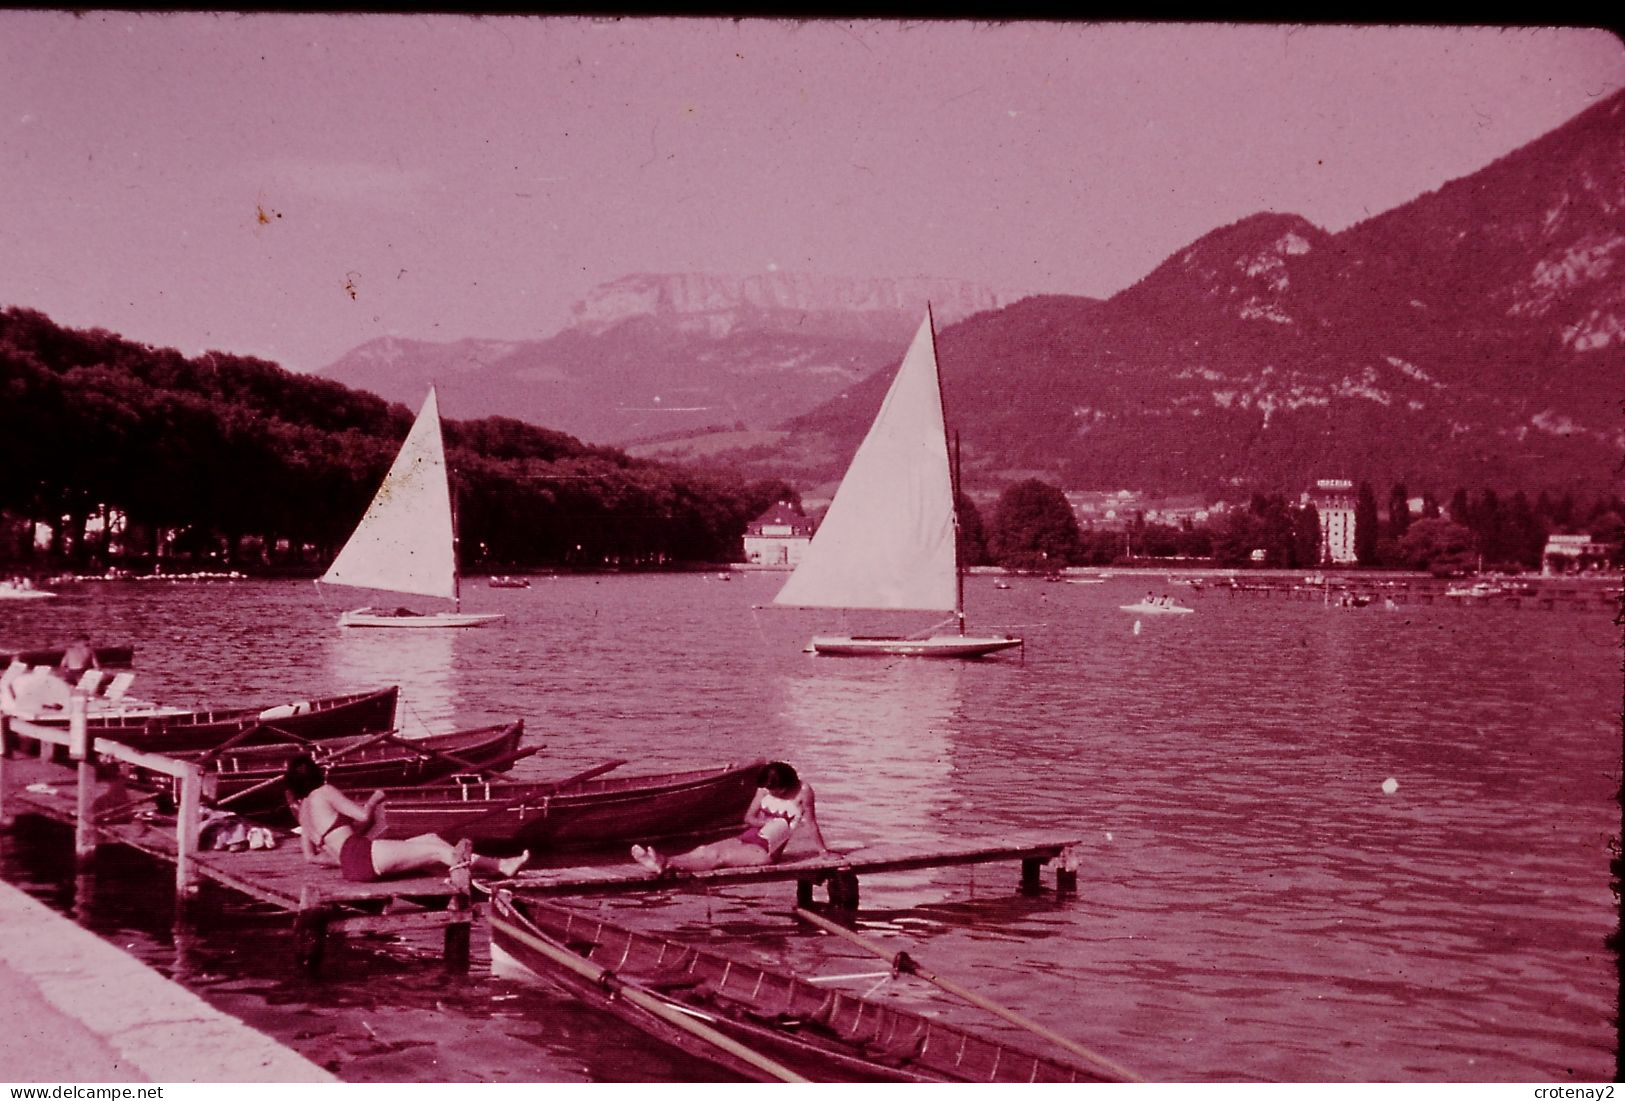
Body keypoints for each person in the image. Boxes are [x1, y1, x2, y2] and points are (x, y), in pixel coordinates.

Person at [283, 755, 528, 883]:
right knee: (437, 853)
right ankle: (499, 866)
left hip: (353, 864)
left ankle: (496, 865)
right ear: (316, 773)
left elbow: (311, 857)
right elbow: (363, 815)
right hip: (361, 855)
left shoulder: (303, 812)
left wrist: (342, 859)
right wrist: (375, 799)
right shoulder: (323, 792)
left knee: (431, 839)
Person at [630, 761, 831, 875]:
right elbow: (748, 818)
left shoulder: (803, 792)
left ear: (788, 783)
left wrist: (823, 852)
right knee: (705, 849)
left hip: (766, 852)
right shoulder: (764, 790)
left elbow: (811, 824)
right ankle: (662, 861)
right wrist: (766, 822)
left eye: (775, 790)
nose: (772, 793)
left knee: (719, 858)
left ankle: (667, 864)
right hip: (749, 837)